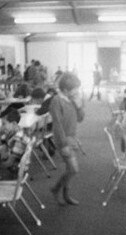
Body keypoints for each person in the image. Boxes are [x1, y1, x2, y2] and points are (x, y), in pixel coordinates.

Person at [49, 72, 84, 206]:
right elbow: (57, 125)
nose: (77, 91)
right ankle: (56, 189)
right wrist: (63, 145)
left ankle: (65, 193)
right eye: (74, 89)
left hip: (72, 138)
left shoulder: (73, 99)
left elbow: (81, 118)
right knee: (73, 169)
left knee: (70, 169)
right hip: (63, 139)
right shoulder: (57, 101)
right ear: (65, 90)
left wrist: (79, 105)